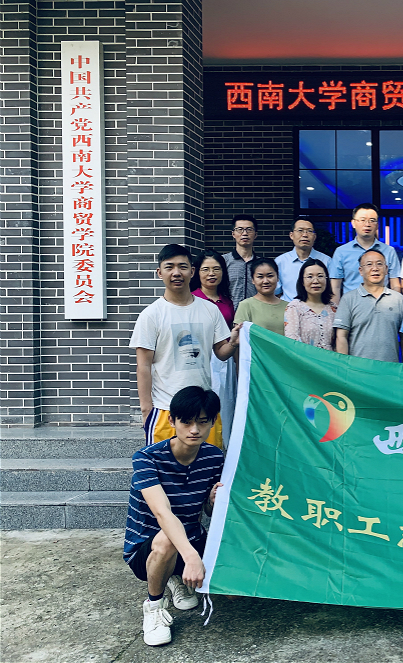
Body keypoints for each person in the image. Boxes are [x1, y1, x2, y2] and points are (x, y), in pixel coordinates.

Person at [124, 386, 225, 647]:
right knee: (167, 538)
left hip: (192, 538)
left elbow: (208, 512)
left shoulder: (214, 457)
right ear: (172, 421)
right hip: (148, 546)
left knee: (234, 594)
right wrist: (191, 557)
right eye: (187, 422)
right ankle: (154, 608)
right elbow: (162, 512)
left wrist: (213, 501)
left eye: (202, 422)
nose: (194, 430)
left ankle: (176, 576)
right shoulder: (147, 458)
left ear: (212, 421)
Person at [130, 244, 240, 449]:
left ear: (192, 271)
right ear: (159, 272)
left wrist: (233, 342)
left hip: (204, 410)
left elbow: (221, 353)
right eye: (169, 267)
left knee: (208, 467)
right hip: (166, 410)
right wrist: (146, 410)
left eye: (182, 266)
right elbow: (143, 366)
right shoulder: (151, 315)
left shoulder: (210, 309)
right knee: (164, 467)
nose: (176, 272)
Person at [189, 249, 237, 449]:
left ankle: (223, 448)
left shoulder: (227, 300)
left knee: (226, 404)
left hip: (225, 356)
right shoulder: (192, 299)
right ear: (196, 272)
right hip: (202, 358)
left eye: (216, 269)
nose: (211, 274)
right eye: (206, 269)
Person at [334, 249, 403, 362]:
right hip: (358, 368)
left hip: (390, 368)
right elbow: (341, 336)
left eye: (379, 264)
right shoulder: (348, 299)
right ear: (361, 270)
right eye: (369, 264)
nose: (375, 268)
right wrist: (345, 366)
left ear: (386, 269)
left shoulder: (398, 299)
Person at [329, 203, 401, 301]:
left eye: (372, 220)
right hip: (352, 305)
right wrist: (337, 308)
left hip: (382, 304)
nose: (367, 224)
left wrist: (395, 304)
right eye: (362, 220)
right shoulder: (341, 252)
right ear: (353, 223)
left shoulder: (389, 251)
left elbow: (395, 284)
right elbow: (335, 287)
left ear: (377, 225)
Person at [284, 258, 338, 350]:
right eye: (310, 277)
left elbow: (339, 340)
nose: (315, 281)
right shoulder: (294, 307)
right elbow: (292, 340)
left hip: (330, 358)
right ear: (302, 281)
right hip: (304, 357)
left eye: (320, 276)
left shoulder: (334, 308)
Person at [275, 216, 332, 302]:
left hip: (318, 308)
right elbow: (275, 291)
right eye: (300, 230)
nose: (305, 235)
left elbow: (332, 290)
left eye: (309, 231)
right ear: (291, 235)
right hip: (287, 308)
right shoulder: (280, 261)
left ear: (314, 236)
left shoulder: (326, 261)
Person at [233, 258, 289, 336]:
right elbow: (241, 337)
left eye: (270, 276)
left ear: (278, 278)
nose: (265, 281)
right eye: (260, 277)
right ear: (253, 280)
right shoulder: (246, 305)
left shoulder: (289, 307)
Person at [224, 214, 259, 303]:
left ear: (255, 234)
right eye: (240, 229)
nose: (244, 233)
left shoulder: (260, 264)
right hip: (230, 310)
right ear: (233, 234)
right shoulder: (223, 261)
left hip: (255, 310)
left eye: (249, 229)